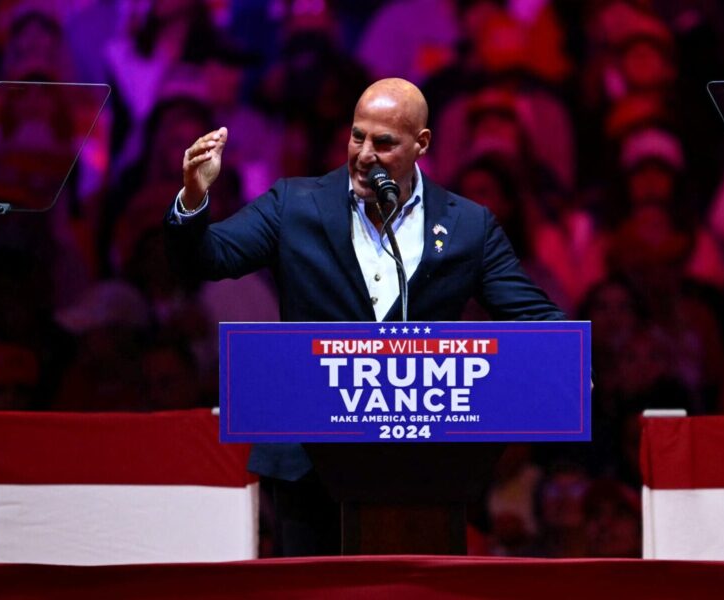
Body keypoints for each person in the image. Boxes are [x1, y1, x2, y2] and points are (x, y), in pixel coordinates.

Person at [164, 77, 565, 556]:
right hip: (308, 463)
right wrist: (192, 199)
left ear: (422, 144)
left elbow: (535, 317)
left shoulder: (466, 226)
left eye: (384, 142)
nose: (364, 154)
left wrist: (568, 364)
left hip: (426, 467)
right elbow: (207, 259)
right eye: (357, 136)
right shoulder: (295, 205)